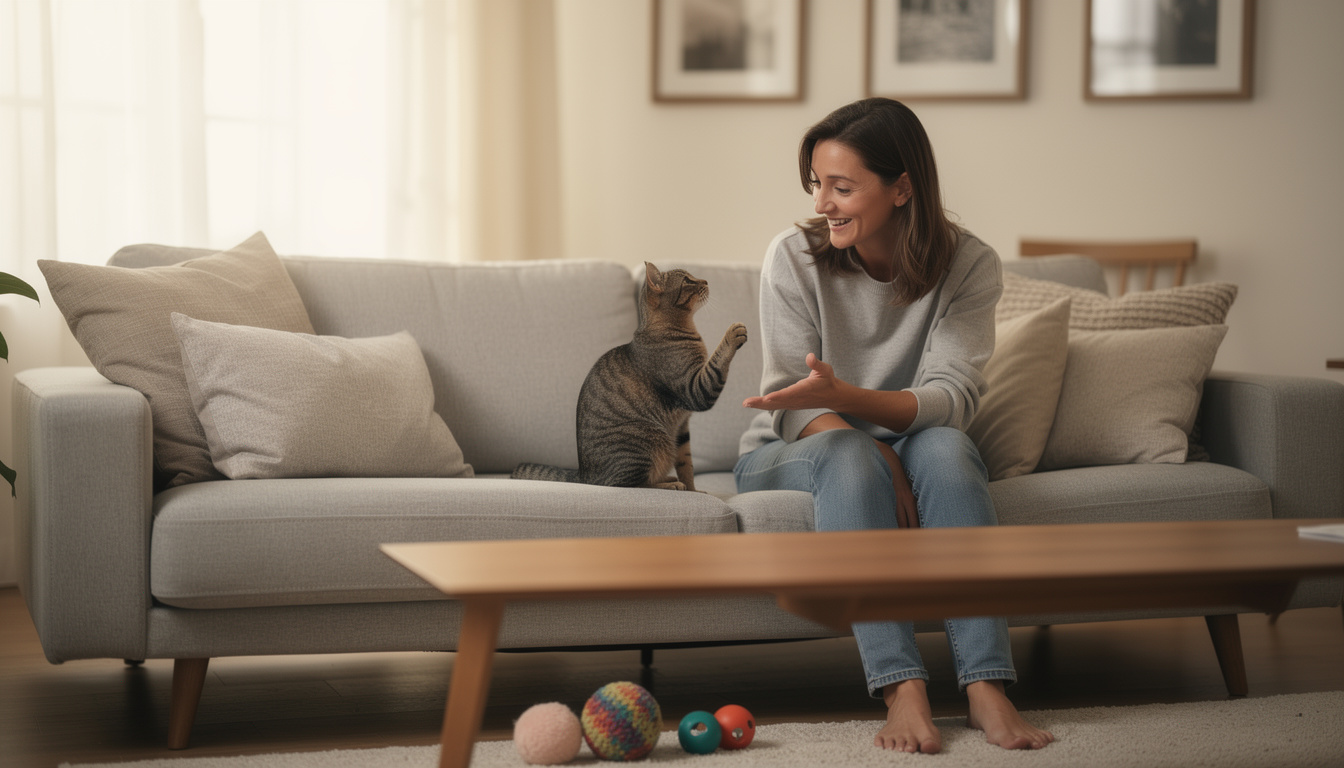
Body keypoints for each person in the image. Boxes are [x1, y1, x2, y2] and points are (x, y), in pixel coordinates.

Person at [734, 97, 1055, 754]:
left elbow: (952, 397)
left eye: (842, 186)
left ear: (902, 187)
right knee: (853, 454)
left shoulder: (968, 265)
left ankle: (986, 684)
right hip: (794, 449)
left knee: (946, 448)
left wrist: (855, 398)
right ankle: (901, 686)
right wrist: (878, 452)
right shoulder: (792, 257)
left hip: (914, 437)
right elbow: (793, 405)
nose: (823, 202)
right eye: (816, 184)